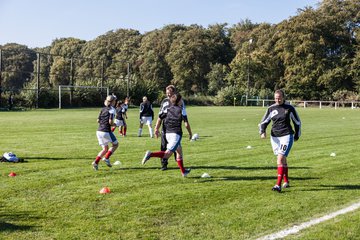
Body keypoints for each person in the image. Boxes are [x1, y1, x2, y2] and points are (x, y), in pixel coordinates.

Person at [258, 89, 301, 192]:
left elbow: (297, 122)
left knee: (280, 159)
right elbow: (264, 121)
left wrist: (297, 134)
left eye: (279, 98)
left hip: (286, 135)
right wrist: (262, 131)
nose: (277, 100)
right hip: (275, 137)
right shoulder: (271, 108)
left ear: (283, 97)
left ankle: (278, 185)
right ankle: (286, 181)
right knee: (283, 159)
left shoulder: (289, 108)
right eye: (276, 98)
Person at [142, 93, 192, 177]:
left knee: (179, 151)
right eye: (181, 100)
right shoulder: (181, 109)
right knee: (167, 155)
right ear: (179, 101)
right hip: (176, 134)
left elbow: (159, 118)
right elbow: (186, 124)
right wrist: (190, 133)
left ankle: (183, 172)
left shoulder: (167, 109)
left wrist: (156, 129)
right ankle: (151, 154)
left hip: (167, 134)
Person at [155, 85, 192, 170]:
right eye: (167, 93)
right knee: (164, 146)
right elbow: (160, 116)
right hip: (165, 126)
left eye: (170, 93)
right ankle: (164, 164)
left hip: (175, 127)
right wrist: (156, 128)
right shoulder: (164, 101)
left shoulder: (180, 102)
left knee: (176, 147)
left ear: (174, 93)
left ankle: (179, 164)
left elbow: (184, 115)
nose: (168, 95)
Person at [92, 95, 118, 171]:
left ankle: (95, 162)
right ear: (113, 101)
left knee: (105, 149)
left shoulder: (103, 109)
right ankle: (106, 158)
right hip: (106, 131)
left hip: (98, 131)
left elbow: (97, 120)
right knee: (115, 144)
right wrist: (114, 124)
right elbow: (110, 121)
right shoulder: (112, 109)